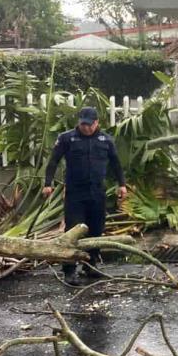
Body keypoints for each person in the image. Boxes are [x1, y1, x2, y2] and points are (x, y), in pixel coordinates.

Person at [43, 106, 126, 285]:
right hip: (75, 193)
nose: (86, 128)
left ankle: (91, 265)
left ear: (97, 123)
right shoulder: (67, 138)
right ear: (79, 123)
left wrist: (122, 185)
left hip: (97, 192)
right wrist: (47, 183)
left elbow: (116, 164)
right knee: (73, 230)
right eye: (83, 124)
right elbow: (53, 161)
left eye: (89, 125)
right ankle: (69, 269)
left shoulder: (106, 140)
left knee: (96, 228)